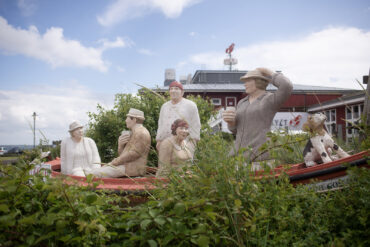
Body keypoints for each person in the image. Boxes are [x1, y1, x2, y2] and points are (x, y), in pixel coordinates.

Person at [222, 68, 293, 162]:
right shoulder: (242, 103)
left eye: (248, 80)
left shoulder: (269, 100)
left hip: (260, 156)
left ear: (258, 81)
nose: (244, 84)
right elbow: (236, 130)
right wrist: (231, 122)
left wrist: (268, 72)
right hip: (238, 156)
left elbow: (287, 86)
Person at [90, 108, 151, 178]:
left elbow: (133, 154)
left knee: (94, 174)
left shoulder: (141, 133)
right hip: (127, 167)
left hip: (132, 169)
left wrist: (114, 162)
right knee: (96, 171)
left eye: (127, 118)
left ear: (134, 119)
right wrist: (121, 146)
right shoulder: (134, 133)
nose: (126, 121)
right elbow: (124, 155)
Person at [156, 81, 201, 153]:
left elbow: (196, 126)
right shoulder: (164, 106)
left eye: (176, 89)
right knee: (164, 164)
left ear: (182, 92)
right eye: (171, 89)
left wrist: (192, 144)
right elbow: (161, 124)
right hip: (165, 145)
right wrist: (159, 141)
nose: (173, 91)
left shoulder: (191, 105)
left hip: (184, 146)